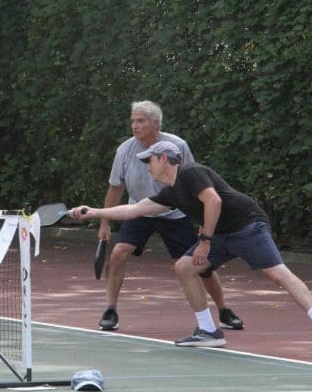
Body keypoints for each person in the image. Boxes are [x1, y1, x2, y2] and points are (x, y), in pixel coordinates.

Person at [70, 140, 312, 357]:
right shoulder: (171, 191)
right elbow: (135, 210)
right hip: (222, 233)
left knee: (277, 275)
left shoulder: (191, 173)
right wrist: (93, 211)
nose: (147, 167)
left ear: (164, 159)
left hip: (248, 226)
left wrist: (205, 240)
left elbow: (213, 201)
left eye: (149, 161)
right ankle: (209, 330)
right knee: (184, 267)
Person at [97, 100, 243, 332]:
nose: (135, 126)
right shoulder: (125, 150)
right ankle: (110, 309)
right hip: (141, 210)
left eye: (141, 121)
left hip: (175, 212)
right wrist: (105, 222)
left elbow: (197, 182)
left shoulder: (177, 146)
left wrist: (203, 222)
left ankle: (224, 310)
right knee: (118, 253)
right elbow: (116, 188)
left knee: (200, 264)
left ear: (156, 124)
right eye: (133, 121)